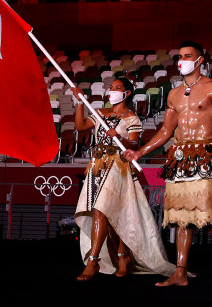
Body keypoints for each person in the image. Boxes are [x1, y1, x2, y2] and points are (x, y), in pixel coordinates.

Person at [124, 40, 212, 286]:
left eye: (187, 56)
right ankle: (180, 272)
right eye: (179, 56)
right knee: (181, 215)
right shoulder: (174, 93)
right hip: (180, 156)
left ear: (200, 60)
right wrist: (140, 152)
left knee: (208, 213)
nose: (181, 61)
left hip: (206, 153)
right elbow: (166, 131)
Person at [72, 77, 175, 281]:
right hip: (97, 166)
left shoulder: (132, 118)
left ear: (127, 93)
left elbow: (134, 146)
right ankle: (122, 255)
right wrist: (80, 103)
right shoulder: (101, 113)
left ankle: (93, 261)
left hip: (117, 166)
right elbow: (80, 126)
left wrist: (118, 137)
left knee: (103, 210)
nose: (112, 91)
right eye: (111, 88)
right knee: (107, 213)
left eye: (117, 88)